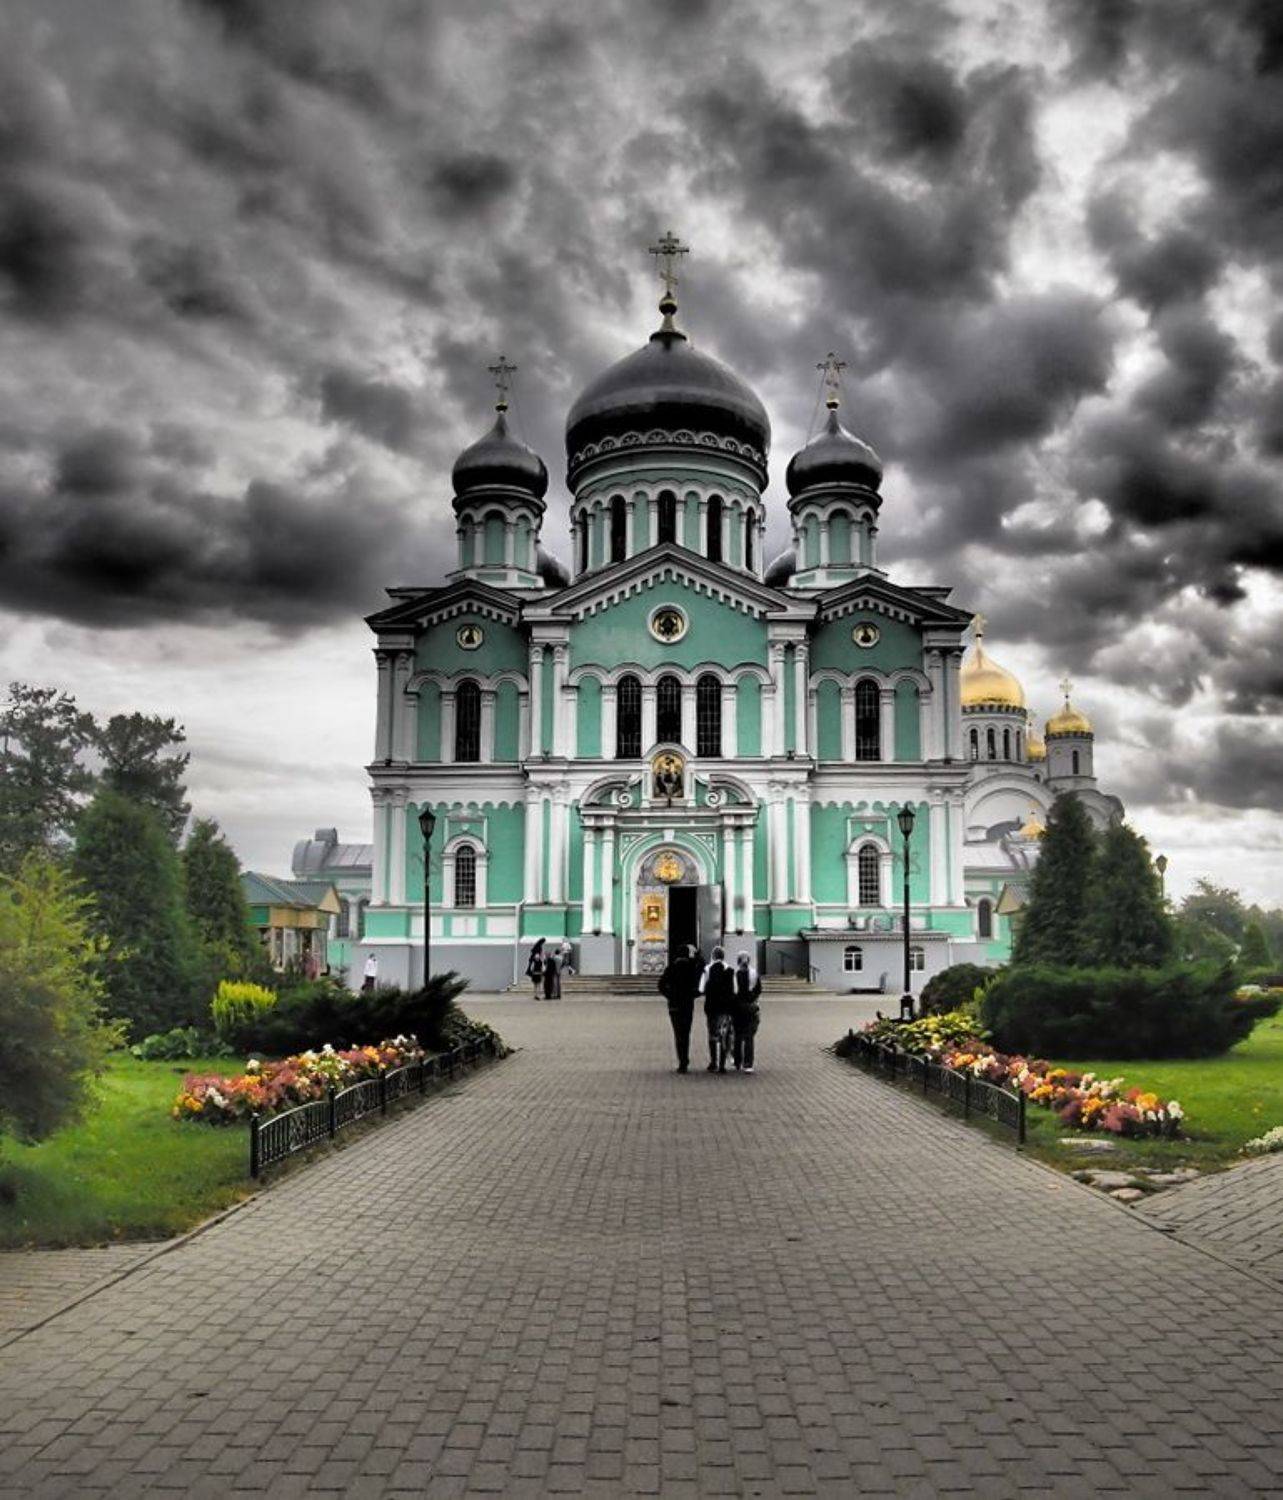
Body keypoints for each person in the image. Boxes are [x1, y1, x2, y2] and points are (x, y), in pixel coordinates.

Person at [658, 943, 703, 1073]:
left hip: (674, 1005)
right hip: (687, 1005)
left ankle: (682, 1061)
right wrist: (693, 995)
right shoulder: (691, 967)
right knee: (686, 1032)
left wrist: (669, 995)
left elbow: (661, 985)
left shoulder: (671, 967)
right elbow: (699, 983)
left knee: (678, 1033)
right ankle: (685, 1059)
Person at [699, 946, 735, 1072]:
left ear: (713, 956)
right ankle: (722, 1065)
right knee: (724, 1034)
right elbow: (735, 990)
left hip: (711, 1006)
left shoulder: (707, 969)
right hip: (725, 1007)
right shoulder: (730, 969)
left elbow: (701, 988)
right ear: (723, 956)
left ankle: (713, 1062)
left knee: (712, 1033)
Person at [731, 950, 762, 1073]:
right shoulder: (754, 974)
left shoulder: (734, 974)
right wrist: (753, 998)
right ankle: (748, 1064)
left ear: (738, 961)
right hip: (750, 1007)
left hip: (737, 1007)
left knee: (737, 1035)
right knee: (749, 1036)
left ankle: (737, 1061)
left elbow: (733, 992)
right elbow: (758, 989)